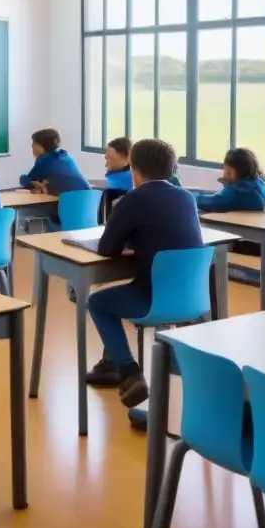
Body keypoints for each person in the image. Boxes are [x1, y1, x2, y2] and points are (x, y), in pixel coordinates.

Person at [85, 138, 203, 408]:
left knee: (99, 302)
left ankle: (127, 371)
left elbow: (107, 248)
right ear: (172, 169)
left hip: (153, 299)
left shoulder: (133, 199)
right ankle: (115, 364)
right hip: (192, 299)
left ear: (133, 170)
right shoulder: (187, 198)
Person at [194, 148, 265, 213]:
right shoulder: (259, 184)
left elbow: (210, 202)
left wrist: (189, 197)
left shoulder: (236, 191)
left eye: (226, 170)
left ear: (229, 172)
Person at [18, 128, 90, 195]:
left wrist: (33, 183)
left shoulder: (45, 161)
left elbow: (25, 180)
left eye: (33, 145)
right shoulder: (66, 156)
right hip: (89, 198)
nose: (32, 148)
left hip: (70, 201)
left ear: (40, 147)